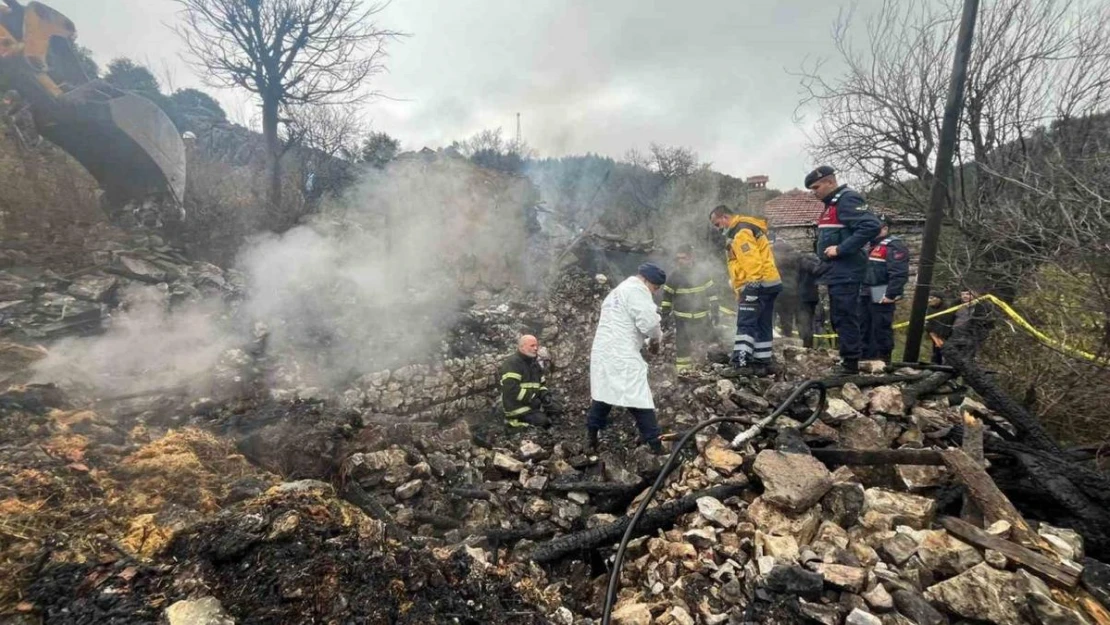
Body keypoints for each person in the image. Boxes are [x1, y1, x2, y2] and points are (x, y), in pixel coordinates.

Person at [805, 165, 882, 374]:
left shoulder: (847, 199)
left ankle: (850, 363)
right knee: (839, 315)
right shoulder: (831, 205)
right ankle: (847, 359)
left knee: (845, 315)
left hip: (847, 272)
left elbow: (871, 226)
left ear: (830, 182)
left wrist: (840, 249)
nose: (814, 192)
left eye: (816, 187)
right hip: (835, 272)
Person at [587, 263, 667, 454]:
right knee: (639, 399)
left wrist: (646, 339)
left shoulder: (617, 291)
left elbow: (626, 325)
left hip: (603, 353)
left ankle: (590, 439)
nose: (654, 292)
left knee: (604, 394)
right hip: (621, 355)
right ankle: (656, 445)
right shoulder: (637, 291)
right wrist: (656, 337)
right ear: (646, 280)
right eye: (655, 288)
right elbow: (648, 323)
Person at [708, 205, 782, 376]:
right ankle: (762, 362)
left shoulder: (740, 232)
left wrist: (752, 285)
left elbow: (752, 260)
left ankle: (740, 363)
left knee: (746, 323)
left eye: (717, 224)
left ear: (725, 217)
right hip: (770, 284)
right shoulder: (749, 227)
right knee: (763, 324)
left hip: (756, 285)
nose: (718, 228)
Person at [860, 215, 911, 363]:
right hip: (864, 290)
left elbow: (899, 273)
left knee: (880, 326)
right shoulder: (868, 244)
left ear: (885, 228)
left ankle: (882, 358)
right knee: (863, 325)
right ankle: (864, 357)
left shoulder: (893, 245)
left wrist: (891, 294)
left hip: (881, 289)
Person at [661, 244, 719, 373]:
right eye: (678, 259)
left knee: (709, 344)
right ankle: (683, 372)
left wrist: (715, 311)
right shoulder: (673, 277)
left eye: (684, 258)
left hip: (702, 318)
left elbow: (712, 294)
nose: (681, 261)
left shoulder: (702, 274)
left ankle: (710, 369)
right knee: (682, 347)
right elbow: (666, 299)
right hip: (682, 320)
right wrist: (664, 316)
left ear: (692, 257)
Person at [499, 335, 561, 428]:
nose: (536, 348)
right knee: (543, 422)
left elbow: (541, 384)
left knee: (557, 409)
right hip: (517, 408)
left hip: (532, 404)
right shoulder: (512, 363)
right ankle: (512, 424)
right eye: (532, 346)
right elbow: (511, 389)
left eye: (536, 346)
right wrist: (531, 398)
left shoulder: (534, 364)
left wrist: (545, 396)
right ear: (522, 347)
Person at [772, 236, 802, 339]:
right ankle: (787, 334)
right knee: (788, 315)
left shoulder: (771, 253)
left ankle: (771, 333)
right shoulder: (794, 256)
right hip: (791, 290)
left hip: (775, 287)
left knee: (772, 311)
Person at [797, 252, 822, 349]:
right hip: (813, 296)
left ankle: (805, 344)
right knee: (810, 321)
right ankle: (809, 344)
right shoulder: (816, 265)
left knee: (803, 322)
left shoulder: (802, 263)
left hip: (802, 296)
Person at [926, 294, 955, 364]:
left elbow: (948, 322)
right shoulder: (929, 308)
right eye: (929, 298)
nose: (929, 300)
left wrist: (942, 336)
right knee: (936, 353)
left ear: (939, 299)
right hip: (934, 334)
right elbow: (929, 322)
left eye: (932, 298)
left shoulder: (947, 307)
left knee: (947, 353)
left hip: (946, 335)